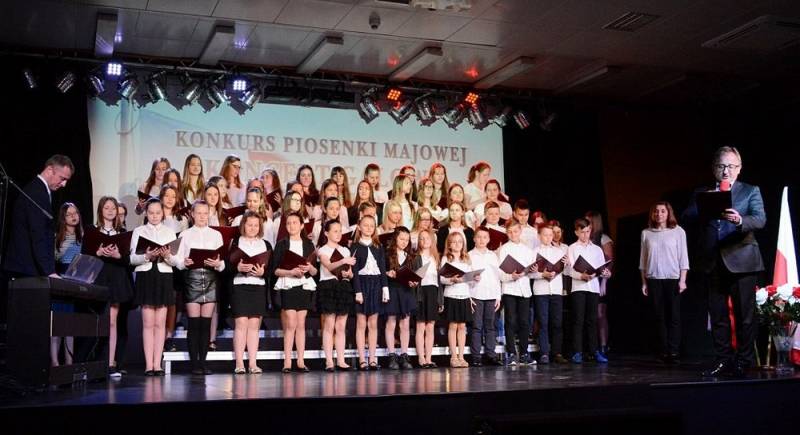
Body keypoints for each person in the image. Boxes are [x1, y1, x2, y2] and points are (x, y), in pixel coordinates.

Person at [682, 146, 765, 377]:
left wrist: (740, 221)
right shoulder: (703, 192)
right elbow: (687, 216)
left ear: (739, 168)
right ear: (714, 169)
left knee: (744, 316)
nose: (726, 171)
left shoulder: (750, 190)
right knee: (718, 315)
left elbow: (760, 219)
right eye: (721, 166)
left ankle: (744, 361)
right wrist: (705, 205)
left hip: (742, 260)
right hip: (712, 261)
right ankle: (723, 360)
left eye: (731, 166)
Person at [130, 198, 178, 375]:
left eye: (158, 212)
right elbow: (132, 258)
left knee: (160, 323)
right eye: (151, 213)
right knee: (148, 323)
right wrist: (146, 256)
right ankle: (148, 365)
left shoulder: (169, 232)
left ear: (163, 213)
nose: (155, 216)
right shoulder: (139, 231)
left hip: (164, 276)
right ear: (146, 213)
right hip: (146, 276)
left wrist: (167, 256)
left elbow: (176, 261)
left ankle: (157, 364)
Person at [4, 154, 73, 278]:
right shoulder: (36, 192)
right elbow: (38, 233)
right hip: (26, 269)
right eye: (62, 178)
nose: (64, 184)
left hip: (28, 267)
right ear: (49, 170)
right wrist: (49, 271)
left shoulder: (40, 190)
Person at [640, 201, 689, 364]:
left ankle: (674, 351)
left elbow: (683, 258)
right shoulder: (646, 233)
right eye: (656, 211)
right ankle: (663, 350)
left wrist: (683, 280)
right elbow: (643, 261)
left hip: (673, 279)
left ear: (668, 213)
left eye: (662, 211)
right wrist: (644, 282)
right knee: (659, 316)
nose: (659, 214)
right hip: (654, 279)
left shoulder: (678, 231)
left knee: (674, 315)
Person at [271, 212, 317, 373]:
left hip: (304, 285)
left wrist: (309, 268)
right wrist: (291, 272)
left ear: (302, 225)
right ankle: (287, 361)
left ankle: (300, 361)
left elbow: (315, 271)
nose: (291, 225)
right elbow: (275, 270)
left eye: (295, 222)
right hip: (288, 285)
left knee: (301, 323)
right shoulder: (281, 244)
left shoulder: (309, 244)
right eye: (288, 223)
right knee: (290, 322)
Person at [229, 211, 271, 374]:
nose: (253, 228)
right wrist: (237, 267)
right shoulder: (236, 242)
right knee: (241, 324)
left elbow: (271, 269)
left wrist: (263, 272)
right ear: (243, 226)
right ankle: (239, 363)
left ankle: (253, 363)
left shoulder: (265, 244)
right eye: (249, 225)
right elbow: (227, 266)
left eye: (256, 225)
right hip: (240, 286)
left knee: (254, 326)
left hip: (258, 286)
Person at [567, 218, 611, 364]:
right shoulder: (572, 248)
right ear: (576, 232)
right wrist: (581, 276)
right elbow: (569, 270)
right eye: (582, 232)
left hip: (593, 288)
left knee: (592, 320)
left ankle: (594, 351)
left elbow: (602, 268)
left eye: (587, 231)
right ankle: (577, 352)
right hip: (579, 287)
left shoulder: (597, 249)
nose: (585, 235)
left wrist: (606, 274)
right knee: (578, 320)